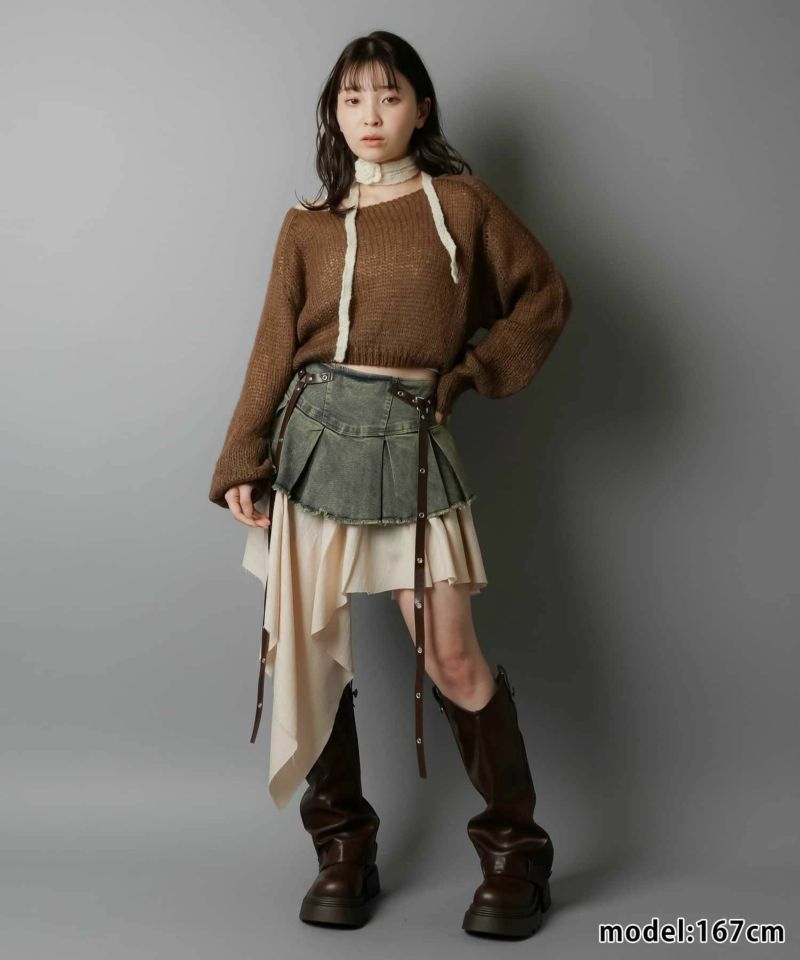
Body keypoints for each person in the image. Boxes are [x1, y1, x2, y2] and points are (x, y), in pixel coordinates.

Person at [208, 30, 572, 940]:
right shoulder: (308, 223)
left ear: (421, 107)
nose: (370, 114)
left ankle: (517, 854)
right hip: (310, 443)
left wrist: (467, 375)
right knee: (303, 652)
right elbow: (272, 345)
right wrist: (242, 459)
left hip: (410, 446)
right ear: (334, 114)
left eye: (389, 95)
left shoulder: (464, 204)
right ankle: (343, 849)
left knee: (451, 656)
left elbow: (543, 297)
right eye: (353, 98)